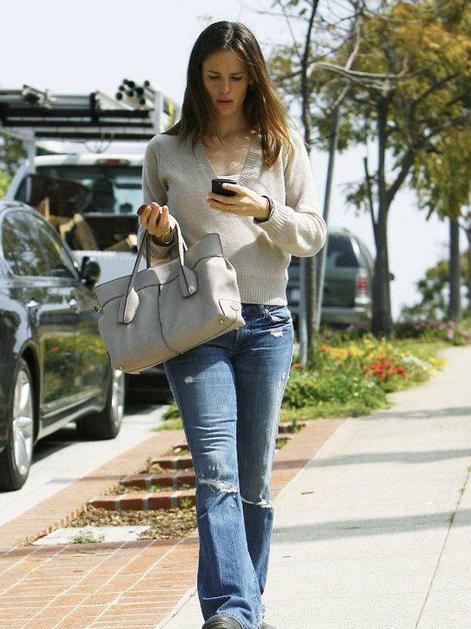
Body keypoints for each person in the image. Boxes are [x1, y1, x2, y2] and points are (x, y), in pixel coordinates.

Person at [137, 20, 326, 629]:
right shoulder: (166, 150)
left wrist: (264, 210)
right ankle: (232, 611)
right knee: (215, 473)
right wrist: (160, 234)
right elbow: (156, 258)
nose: (224, 89)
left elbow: (313, 235)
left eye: (236, 77)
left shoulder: (280, 146)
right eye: (213, 76)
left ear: (253, 79)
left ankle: (247, 608)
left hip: (265, 325)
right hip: (197, 327)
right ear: (197, 78)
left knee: (252, 480)